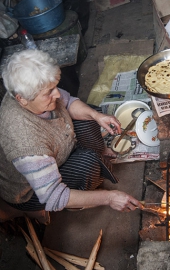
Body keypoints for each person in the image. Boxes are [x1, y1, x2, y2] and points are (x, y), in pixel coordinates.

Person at [0, 49, 143, 213]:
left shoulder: (29, 91)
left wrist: (97, 116)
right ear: (22, 99)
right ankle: (80, 198)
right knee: (88, 164)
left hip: (56, 145)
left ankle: (96, 154)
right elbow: (54, 197)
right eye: (49, 92)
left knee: (91, 117)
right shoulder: (26, 144)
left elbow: (67, 102)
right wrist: (109, 197)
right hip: (32, 192)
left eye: (55, 87)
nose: (57, 94)